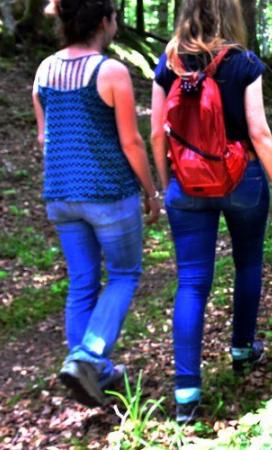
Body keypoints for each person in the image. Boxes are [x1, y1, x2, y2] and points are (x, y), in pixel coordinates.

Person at [150, 0, 272, 423]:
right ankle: (243, 350)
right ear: (231, 16)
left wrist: (164, 182)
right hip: (241, 179)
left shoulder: (169, 62)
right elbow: (259, 132)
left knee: (192, 282)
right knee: (248, 264)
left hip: (187, 184)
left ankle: (186, 393)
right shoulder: (244, 62)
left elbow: (157, 131)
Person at [32, 0, 160, 407]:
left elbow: (44, 139)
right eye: (115, 17)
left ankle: (92, 371)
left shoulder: (44, 71)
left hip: (60, 195)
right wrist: (151, 191)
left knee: (83, 282)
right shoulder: (110, 71)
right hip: (108, 194)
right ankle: (89, 357)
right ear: (104, 21)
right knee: (124, 274)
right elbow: (131, 141)